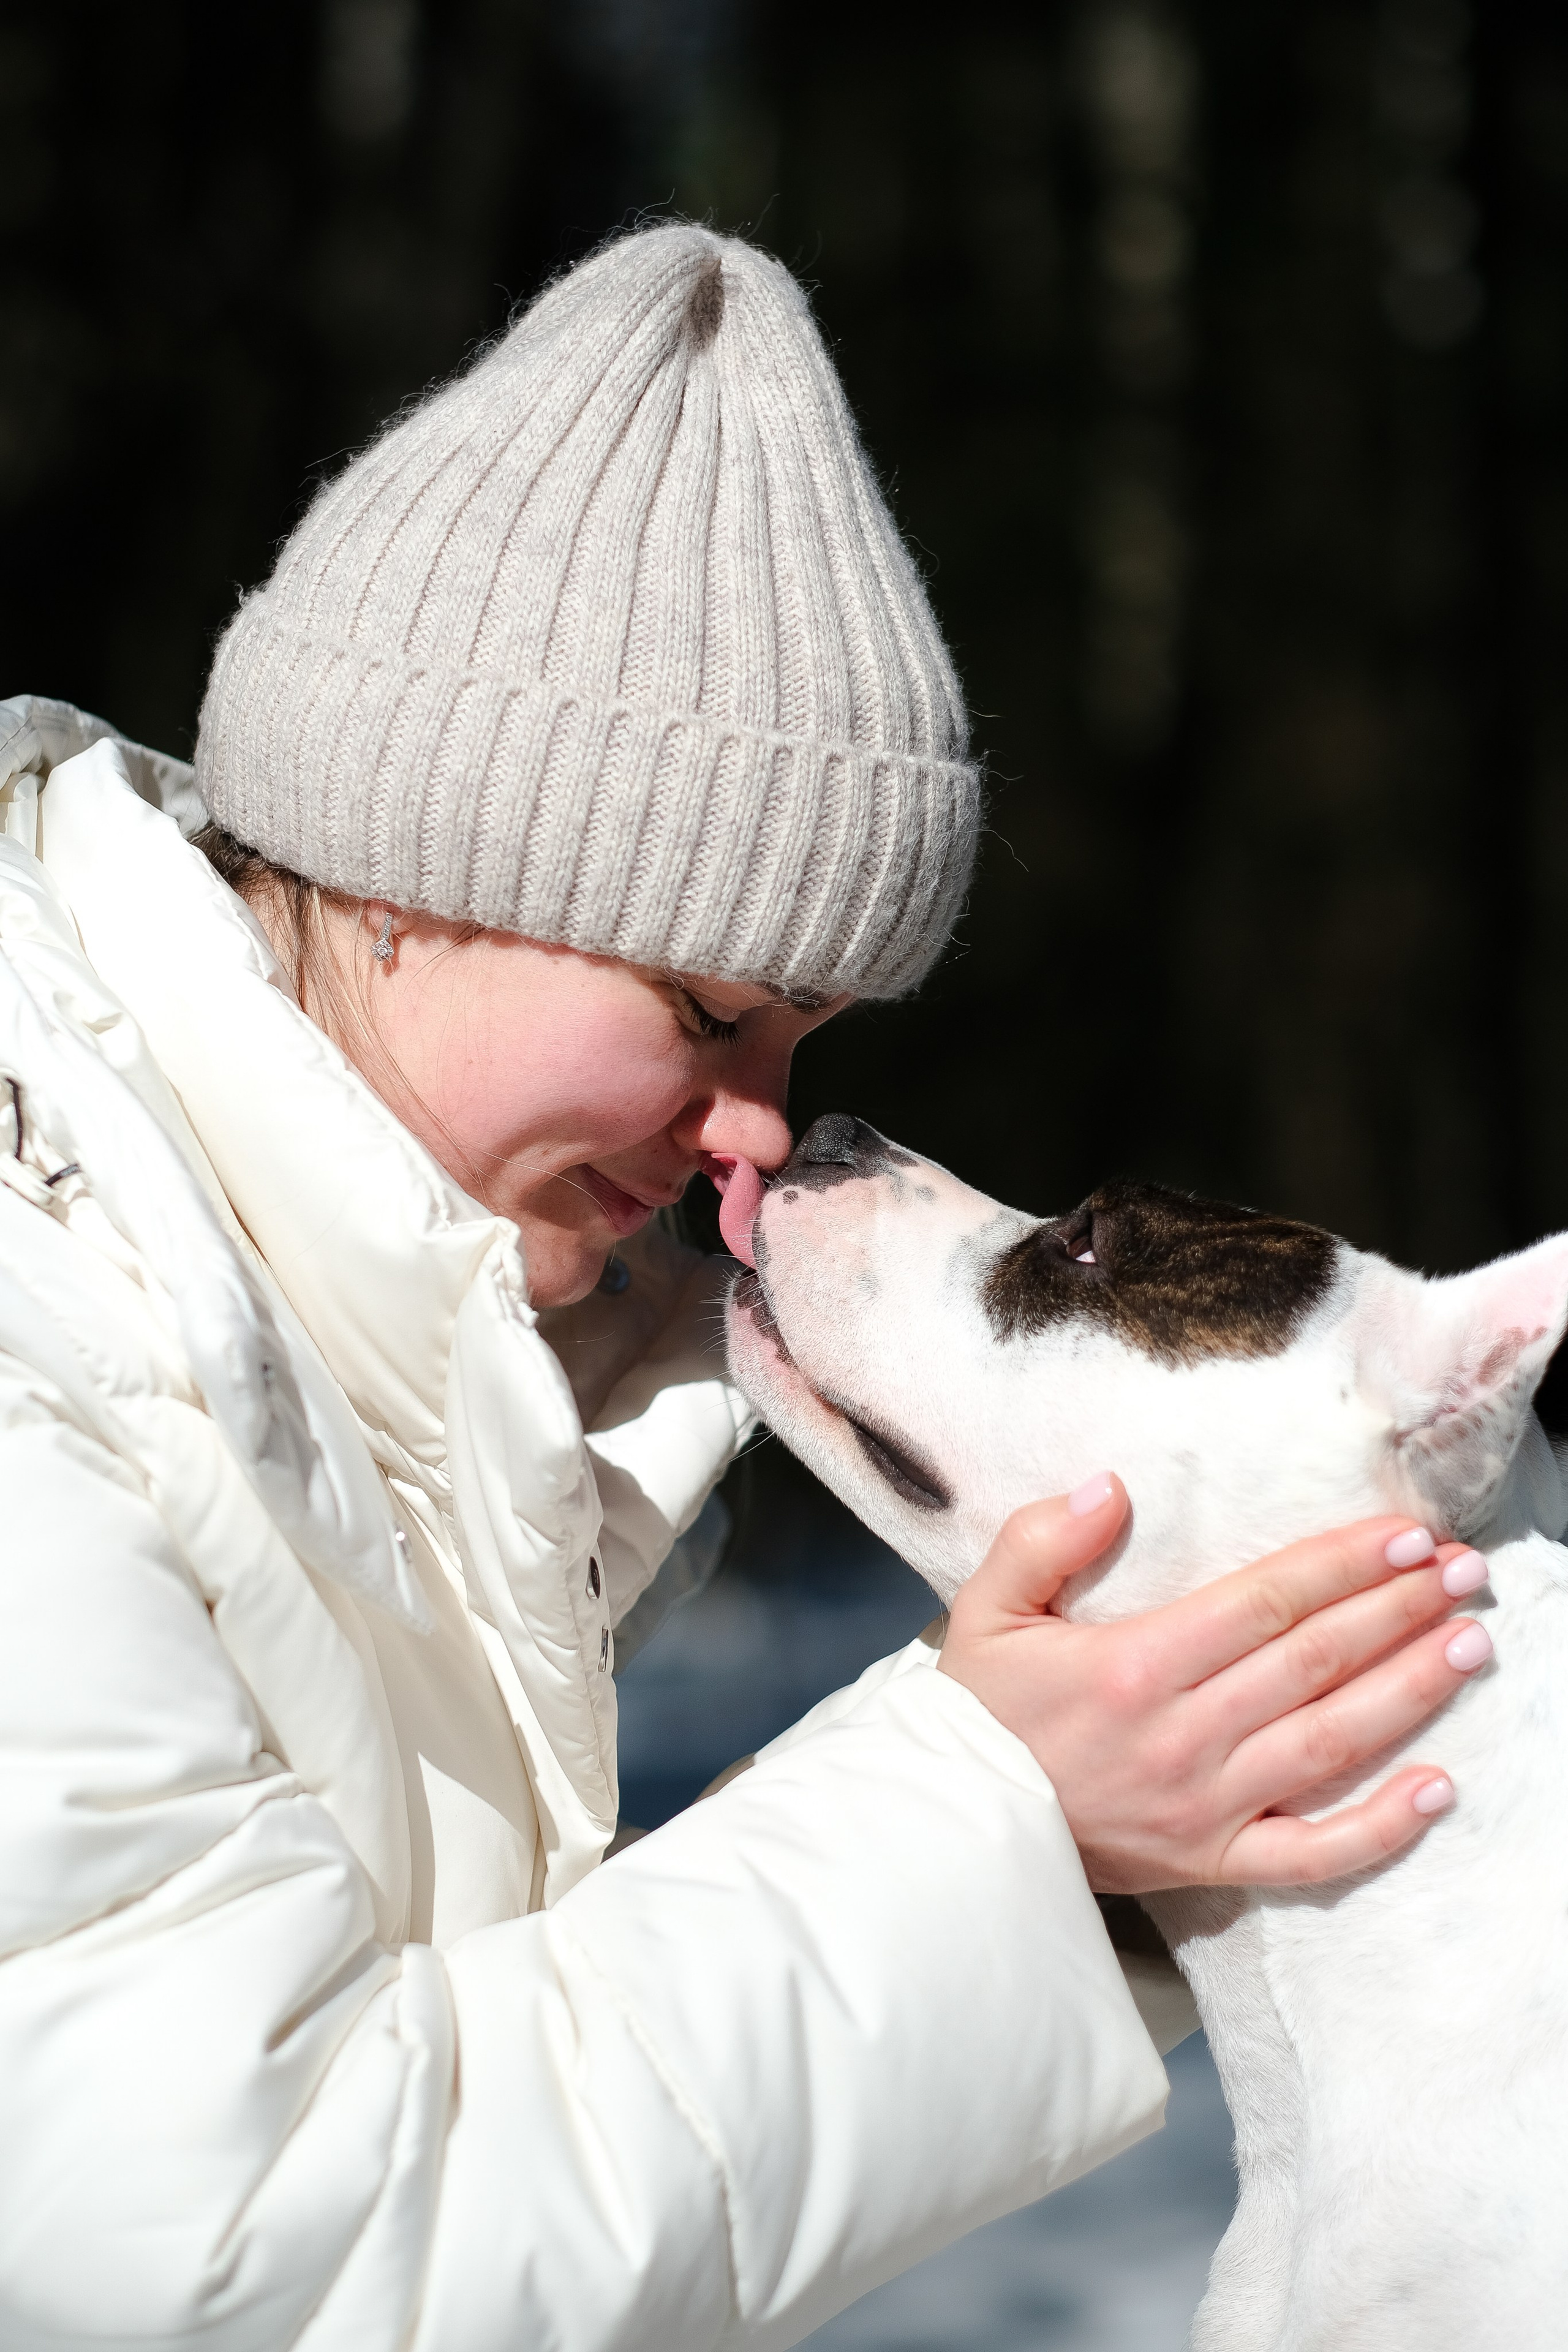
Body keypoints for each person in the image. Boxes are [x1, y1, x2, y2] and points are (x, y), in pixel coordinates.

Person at [0, 225, 1487, 2350]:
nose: (763, 1136)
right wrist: (998, 1820)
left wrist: (1099, 1848)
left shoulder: (381, 1341)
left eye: (810, 1041)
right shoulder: (40, 1328)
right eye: (710, 1007)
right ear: (411, 871)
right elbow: (224, 2257)